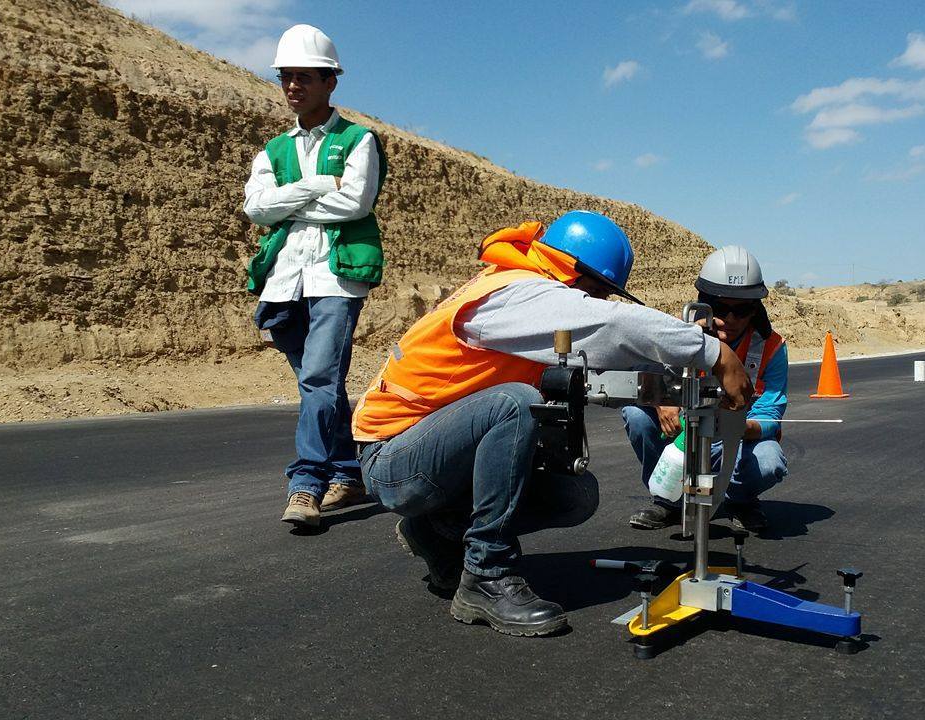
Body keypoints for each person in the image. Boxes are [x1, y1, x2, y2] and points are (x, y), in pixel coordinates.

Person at [352, 211, 753, 637]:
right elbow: (610, 324)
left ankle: (437, 529)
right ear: (574, 273)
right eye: (597, 292)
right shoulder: (512, 294)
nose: (598, 303)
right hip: (392, 459)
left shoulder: (526, 301)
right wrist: (711, 352)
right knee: (514, 404)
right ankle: (485, 576)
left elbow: (606, 350)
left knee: (574, 495)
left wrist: (675, 368)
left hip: (431, 454)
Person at [243, 24, 387, 528]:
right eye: (286, 77)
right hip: (286, 279)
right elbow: (256, 209)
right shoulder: (274, 148)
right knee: (319, 386)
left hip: (335, 275)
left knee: (320, 378)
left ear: (331, 82)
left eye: (304, 77)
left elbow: (355, 202)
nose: (292, 87)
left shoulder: (359, 139)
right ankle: (348, 472)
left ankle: (306, 484)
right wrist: (318, 183)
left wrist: (292, 200)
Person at [622, 246, 789, 533]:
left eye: (742, 310)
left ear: (756, 309)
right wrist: (661, 402)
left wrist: (738, 426)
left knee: (769, 460)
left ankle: (740, 500)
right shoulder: (679, 335)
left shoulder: (772, 347)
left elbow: (771, 411)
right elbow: (643, 372)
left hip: (732, 443)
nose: (732, 319)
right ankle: (670, 501)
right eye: (723, 309)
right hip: (683, 439)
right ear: (704, 303)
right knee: (636, 416)